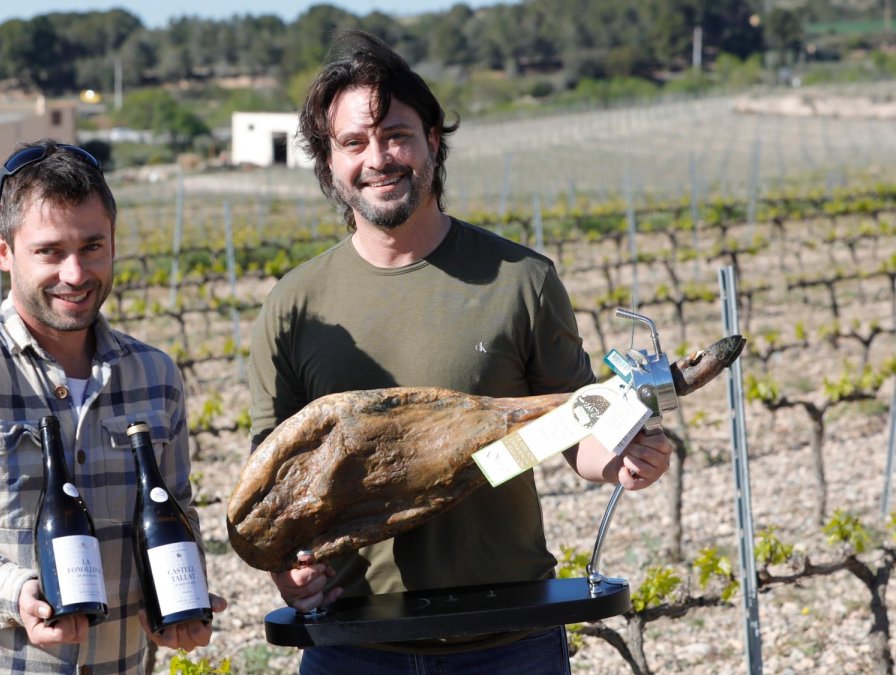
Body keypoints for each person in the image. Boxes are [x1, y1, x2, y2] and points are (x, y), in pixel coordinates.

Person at [247, 31, 673, 674]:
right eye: (354, 142)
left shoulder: (519, 280)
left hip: (508, 639)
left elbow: (572, 427)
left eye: (397, 135)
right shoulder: (296, 305)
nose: (379, 158)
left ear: (433, 141)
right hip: (353, 646)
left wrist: (620, 459)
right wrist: (290, 571)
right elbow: (273, 480)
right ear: (329, 162)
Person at [0, 139, 226, 674]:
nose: (76, 274)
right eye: (50, 251)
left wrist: (173, 603)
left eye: (92, 247)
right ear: (3, 250)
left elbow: (175, 513)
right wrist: (11, 592)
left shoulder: (155, 378)